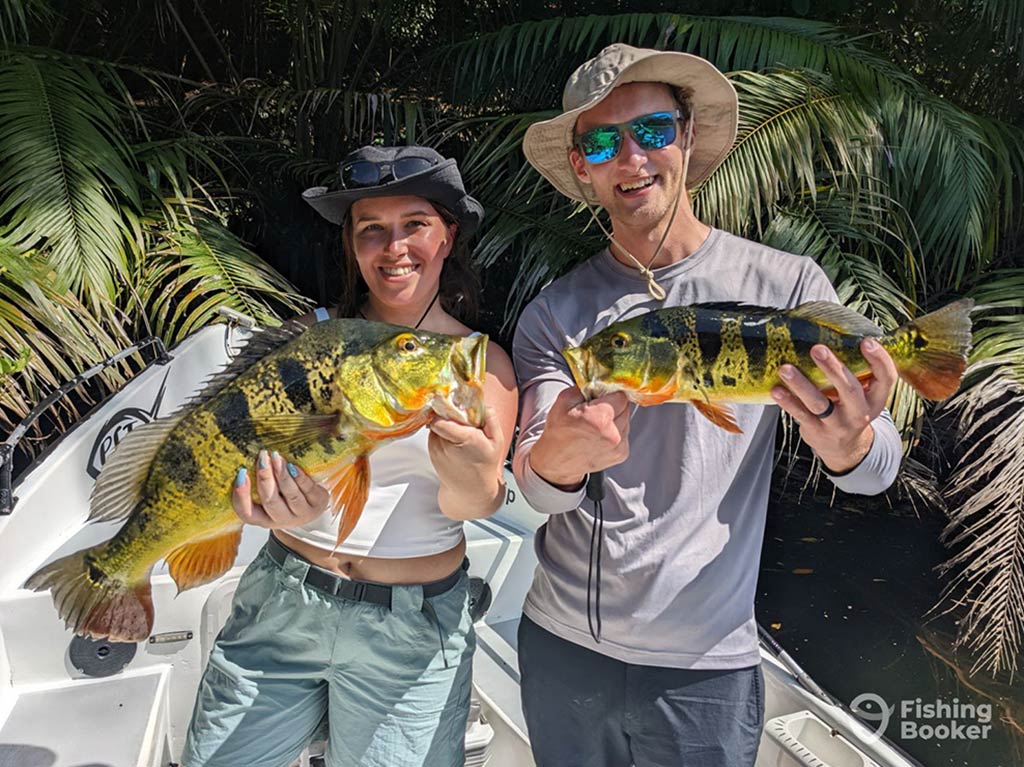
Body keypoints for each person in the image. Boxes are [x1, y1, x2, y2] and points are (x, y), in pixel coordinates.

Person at [511, 43, 902, 767]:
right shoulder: (555, 315)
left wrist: (850, 445)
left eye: (652, 131)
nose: (632, 159)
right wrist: (558, 461)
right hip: (564, 648)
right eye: (602, 142)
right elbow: (533, 487)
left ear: (687, 138)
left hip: (707, 667)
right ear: (582, 168)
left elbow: (878, 466)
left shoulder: (784, 285)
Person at [182, 145, 518, 767]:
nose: (394, 247)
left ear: (448, 235)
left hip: (411, 634)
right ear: (353, 246)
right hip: (282, 601)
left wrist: (473, 477)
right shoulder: (311, 340)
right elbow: (236, 447)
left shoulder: (481, 365)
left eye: (414, 224)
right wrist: (260, 503)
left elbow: (472, 501)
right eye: (372, 230)